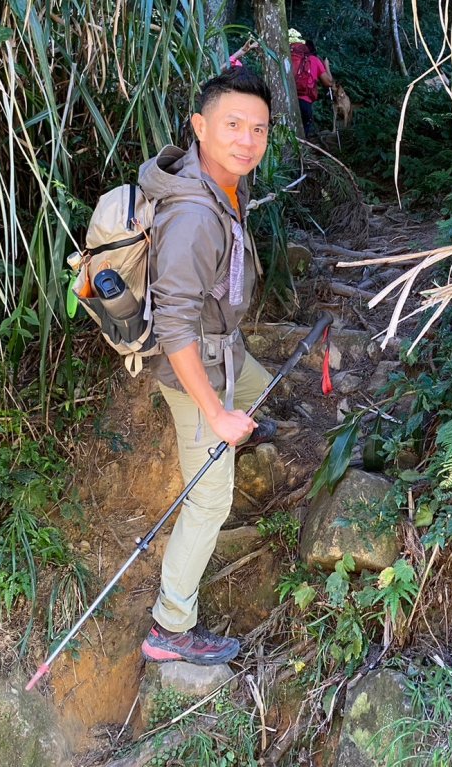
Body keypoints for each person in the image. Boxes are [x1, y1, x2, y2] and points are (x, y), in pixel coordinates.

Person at [137, 67, 277, 665]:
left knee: (263, 390)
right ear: (199, 126)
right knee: (209, 501)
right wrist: (216, 414)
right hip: (192, 367)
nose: (247, 140)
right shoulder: (194, 214)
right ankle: (170, 629)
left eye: (259, 129)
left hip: (227, 346)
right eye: (232, 125)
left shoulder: (225, 183)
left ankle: (242, 427)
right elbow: (172, 329)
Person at [289, 29, 334, 138]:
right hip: (305, 102)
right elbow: (329, 83)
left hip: (287, 99)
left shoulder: (285, 57)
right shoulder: (314, 60)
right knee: (302, 136)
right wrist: (326, 65)